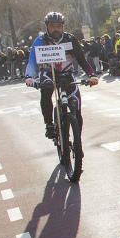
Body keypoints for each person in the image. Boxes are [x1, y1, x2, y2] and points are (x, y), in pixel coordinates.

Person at [24, 11, 98, 142]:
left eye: (58, 26)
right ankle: (49, 124)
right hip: (48, 73)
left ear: (63, 26)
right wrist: (29, 77)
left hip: (67, 74)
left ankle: (77, 141)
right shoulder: (40, 41)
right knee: (46, 89)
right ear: (47, 27)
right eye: (52, 26)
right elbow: (32, 61)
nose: (56, 29)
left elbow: (82, 60)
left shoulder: (70, 39)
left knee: (76, 106)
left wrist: (92, 75)